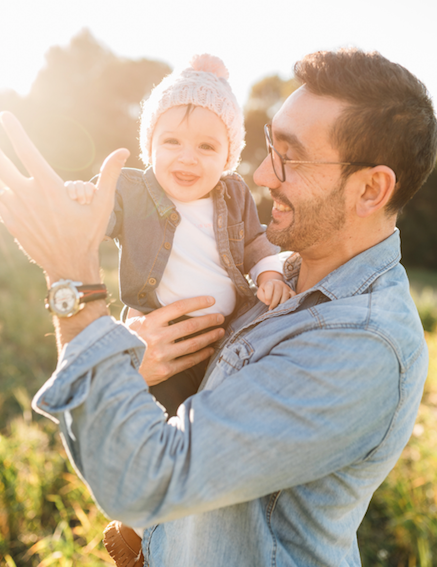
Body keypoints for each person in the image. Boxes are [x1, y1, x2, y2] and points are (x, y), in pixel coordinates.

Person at [0, 47, 437, 567]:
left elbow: (147, 480)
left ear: (371, 189)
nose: (262, 176)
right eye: (269, 148)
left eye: (289, 157)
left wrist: (72, 278)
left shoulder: (361, 344)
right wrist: (130, 366)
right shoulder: (280, 276)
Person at [65, 53, 293, 565]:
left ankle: (182, 537)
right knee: (156, 433)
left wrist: (270, 272)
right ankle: (138, 532)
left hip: (222, 346)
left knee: (205, 439)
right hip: (163, 343)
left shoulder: (233, 196)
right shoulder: (135, 190)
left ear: (229, 155)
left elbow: (256, 245)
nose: (186, 158)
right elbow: (98, 214)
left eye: (207, 146)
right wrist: (82, 198)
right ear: (150, 145)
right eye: (170, 142)